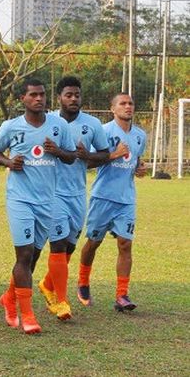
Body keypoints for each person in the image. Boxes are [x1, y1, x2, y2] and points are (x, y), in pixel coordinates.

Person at [0, 78, 75, 334]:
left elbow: (71, 157)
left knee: (34, 257)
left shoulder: (59, 125)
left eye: (42, 94)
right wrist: (7, 162)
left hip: (47, 201)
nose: (39, 99)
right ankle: (27, 315)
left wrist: (57, 151)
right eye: (33, 95)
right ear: (22, 99)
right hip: (20, 199)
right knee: (24, 256)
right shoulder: (11, 126)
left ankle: (9, 297)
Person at [37, 76, 109, 320]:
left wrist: (86, 155)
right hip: (53, 193)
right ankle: (62, 300)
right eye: (69, 95)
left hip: (78, 193)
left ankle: (48, 284)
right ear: (59, 97)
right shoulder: (49, 122)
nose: (73, 99)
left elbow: (104, 155)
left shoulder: (93, 124)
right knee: (57, 245)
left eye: (77, 95)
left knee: (69, 246)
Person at [78, 93, 147, 312]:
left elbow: (136, 161)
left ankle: (122, 296)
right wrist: (113, 155)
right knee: (93, 242)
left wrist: (139, 168)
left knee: (125, 243)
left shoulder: (139, 136)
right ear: (112, 108)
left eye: (130, 103)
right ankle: (83, 282)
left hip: (126, 199)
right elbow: (87, 163)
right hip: (102, 197)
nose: (128, 107)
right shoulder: (104, 132)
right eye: (123, 104)